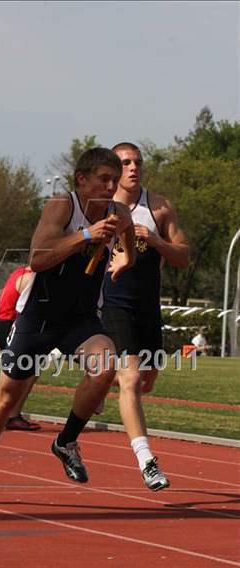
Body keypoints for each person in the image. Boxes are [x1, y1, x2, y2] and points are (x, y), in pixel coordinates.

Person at [0, 147, 136, 504]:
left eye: (114, 181)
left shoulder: (118, 213)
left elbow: (130, 243)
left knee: (106, 368)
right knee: (7, 396)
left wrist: (124, 259)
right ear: (82, 180)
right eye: (104, 180)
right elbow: (38, 258)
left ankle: (65, 441)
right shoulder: (62, 206)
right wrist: (86, 236)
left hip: (81, 317)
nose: (111, 187)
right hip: (39, 317)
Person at [101, 142, 190, 491]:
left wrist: (156, 242)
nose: (133, 168)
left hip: (148, 309)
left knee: (146, 381)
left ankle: (98, 381)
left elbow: (183, 257)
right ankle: (147, 460)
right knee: (132, 379)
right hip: (112, 303)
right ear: (114, 168)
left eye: (138, 162)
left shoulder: (160, 207)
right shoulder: (102, 208)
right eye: (126, 163)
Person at [0, 265, 41, 431]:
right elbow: (29, 306)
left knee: (25, 370)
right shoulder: (30, 278)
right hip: (8, 325)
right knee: (27, 371)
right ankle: (11, 415)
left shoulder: (18, 272)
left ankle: (7, 413)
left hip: (0, 324)